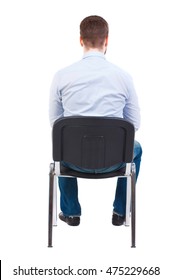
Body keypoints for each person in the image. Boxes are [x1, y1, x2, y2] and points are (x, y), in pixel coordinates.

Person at [49, 15, 142, 227]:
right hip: (115, 160)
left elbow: (56, 124)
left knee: (62, 145)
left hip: (72, 160)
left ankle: (71, 213)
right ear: (107, 40)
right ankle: (120, 212)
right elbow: (134, 125)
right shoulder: (123, 77)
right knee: (136, 148)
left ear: (80, 40)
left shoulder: (62, 76)